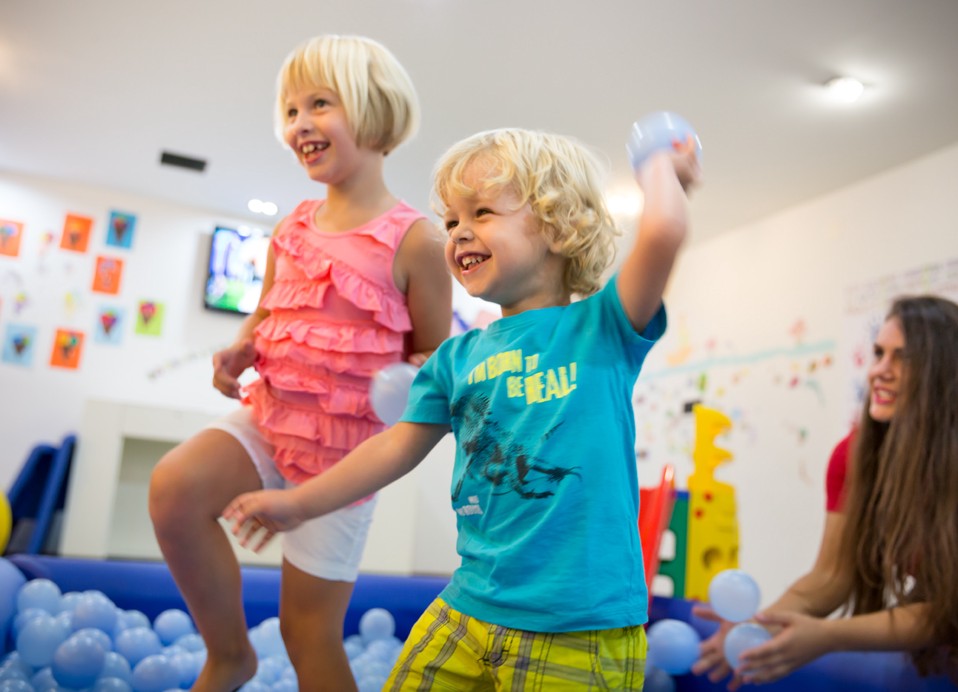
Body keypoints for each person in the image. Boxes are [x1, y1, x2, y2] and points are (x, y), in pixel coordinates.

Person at [223, 126, 701, 690]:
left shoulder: (600, 328)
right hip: (472, 604)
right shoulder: (456, 358)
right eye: (451, 222)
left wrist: (661, 167)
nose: (458, 233)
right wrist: (301, 503)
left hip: (578, 625)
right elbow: (393, 446)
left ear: (556, 225)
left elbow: (665, 230)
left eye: (481, 213)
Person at [148, 35, 451, 692]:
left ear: (375, 111)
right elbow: (266, 312)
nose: (299, 124)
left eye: (320, 104)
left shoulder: (416, 239)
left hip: (344, 462)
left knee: (306, 632)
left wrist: (413, 376)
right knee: (173, 488)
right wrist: (244, 343)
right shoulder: (292, 227)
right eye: (290, 111)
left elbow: (435, 353)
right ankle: (229, 653)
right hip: (271, 419)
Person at [692, 295, 958, 687]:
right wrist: (761, 624)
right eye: (878, 353)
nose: (879, 371)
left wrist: (828, 636)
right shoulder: (853, 456)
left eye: (904, 358)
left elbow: (946, 611)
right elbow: (831, 577)